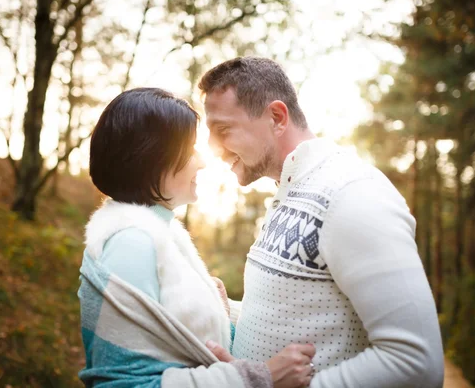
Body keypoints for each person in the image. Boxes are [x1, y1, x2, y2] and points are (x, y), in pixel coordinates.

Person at [198, 57, 445, 387]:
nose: (213, 149)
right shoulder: (290, 189)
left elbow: (416, 361)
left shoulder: (352, 193)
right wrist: (224, 311)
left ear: (276, 117)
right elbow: (298, 317)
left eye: (223, 130)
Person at [78, 87, 316, 388]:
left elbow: (178, 342)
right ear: (151, 158)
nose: (202, 162)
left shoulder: (159, 232)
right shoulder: (131, 243)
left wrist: (221, 312)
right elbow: (120, 383)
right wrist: (260, 378)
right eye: (190, 150)